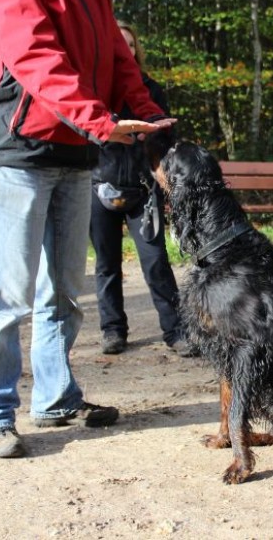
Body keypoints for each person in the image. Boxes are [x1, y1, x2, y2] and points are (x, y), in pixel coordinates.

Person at [0, 0, 176, 459]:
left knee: (63, 289)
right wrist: (98, 120)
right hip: (14, 147)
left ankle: (56, 397)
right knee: (8, 291)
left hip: (75, 148)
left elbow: (117, 55)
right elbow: (33, 54)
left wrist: (149, 115)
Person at [90, 21, 190, 357]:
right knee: (106, 264)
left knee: (156, 261)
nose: (125, 50)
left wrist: (163, 171)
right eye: (119, 44)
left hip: (143, 190)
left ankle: (176, 331)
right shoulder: (92, 89)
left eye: (130, 45)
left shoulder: (150, 89)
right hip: (99, 186)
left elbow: (167, 140)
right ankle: (113, 330)